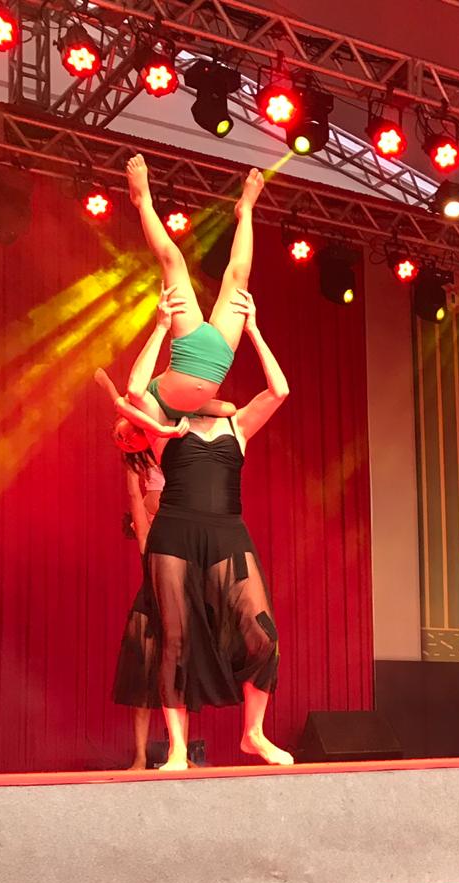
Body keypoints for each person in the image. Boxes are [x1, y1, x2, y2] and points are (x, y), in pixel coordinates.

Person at [111, 287, 293, 769]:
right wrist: (158, 329)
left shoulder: (239, 427)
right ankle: (175, 748)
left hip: (227, 532)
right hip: (174, 534)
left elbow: (279, 391)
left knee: (263, 634)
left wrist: (254, 331)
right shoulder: (166, 428)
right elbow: (135, 391)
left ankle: (253, 733)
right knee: (175, 638)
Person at [124, 153, 263, 424]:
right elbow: (229, 409)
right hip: (220, 352)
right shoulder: (174, 419)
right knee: (239, 276)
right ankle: (246, 211)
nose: (125, 440)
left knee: (172, 260)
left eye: (121, 436)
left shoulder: (145, 410)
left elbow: (126, 398)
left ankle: (143, 201)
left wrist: (165, 430)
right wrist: (199, 405)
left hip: (187, 345)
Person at [98, 368, 165, 770]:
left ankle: (176, 751)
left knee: (178, 684)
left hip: (178, 600)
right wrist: (129, 470)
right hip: (151, 604)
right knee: (143, 685)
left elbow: (140, 421)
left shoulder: (176, 513)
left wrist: (111, 389)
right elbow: (135, 496)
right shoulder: (147, 533)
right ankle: (140, 755)